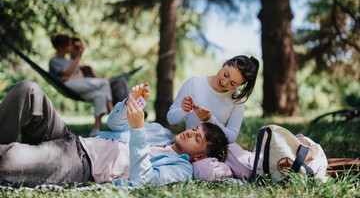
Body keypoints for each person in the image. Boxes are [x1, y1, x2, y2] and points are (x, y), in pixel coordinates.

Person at [0, 80, 229, 188]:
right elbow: (115, 124)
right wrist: (130, 102)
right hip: (73, 139)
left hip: (80, 163)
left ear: (200, 157)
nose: (189, 133)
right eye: (194, 129)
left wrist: (138, 130)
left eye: (197, 138)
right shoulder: (161, 132)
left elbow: (144, 181)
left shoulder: (181, 169)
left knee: (10, 158)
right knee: (28, 90)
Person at [167, 55, 259, 143]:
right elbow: (171, 119)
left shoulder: (237, 99)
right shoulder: (194, 83)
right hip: (188, 145)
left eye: (233, 84)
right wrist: (183, 110)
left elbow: (231, 139)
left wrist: (210, 119)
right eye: (226, 75)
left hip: (213, 151)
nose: (225, 83)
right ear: (224, 63)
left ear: (239, 85)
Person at [49, 34, 113, 136]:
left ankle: (96, 130)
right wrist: (78, 57)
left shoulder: (69, 61)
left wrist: (70, 76)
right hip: (67, 86)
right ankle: (112, 111)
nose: (71, 47)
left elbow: (80, 74)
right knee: (105, 82)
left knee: (100, 95)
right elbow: (66, 73)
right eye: (69, 45)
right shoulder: (54, 61)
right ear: (63, 46)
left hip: (77, 85)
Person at [70, 37, 129, 106]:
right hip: (92, 88)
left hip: (101, 84)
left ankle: (130, 106)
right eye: (77, 47)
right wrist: (78, 56)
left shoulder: (88, 67)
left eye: (81, 47)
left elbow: (98, 77)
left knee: (121, 82)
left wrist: (103, 78)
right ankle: (127, 107)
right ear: (71, 48)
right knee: (119, 81)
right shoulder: (70, 66)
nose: (80, 50)